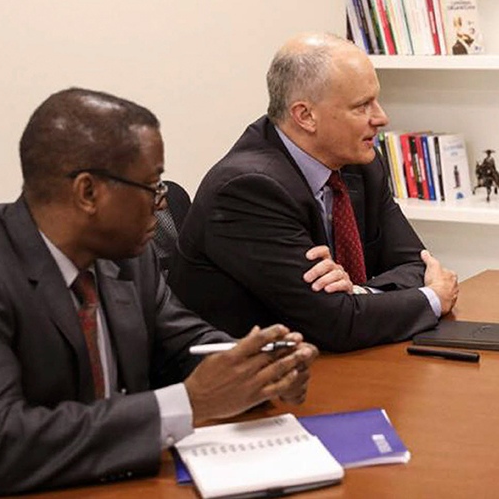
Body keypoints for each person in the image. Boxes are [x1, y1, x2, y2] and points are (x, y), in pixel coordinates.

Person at [0, 88, 319, 497]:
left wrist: (261, 367)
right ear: (88, 192)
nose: (162, 206)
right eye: (152, 186)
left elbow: (186, 345)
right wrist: (189, 403)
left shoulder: (127, 257)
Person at [169, 33, 459, 352]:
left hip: (331, 362)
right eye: (362, 106)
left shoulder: (360, 164)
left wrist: (359, 295)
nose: (381, 118)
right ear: (305, 115)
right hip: (254, 384)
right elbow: (336, 323)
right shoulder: (248, 188)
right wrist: (432, 298)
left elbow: (418, 265)